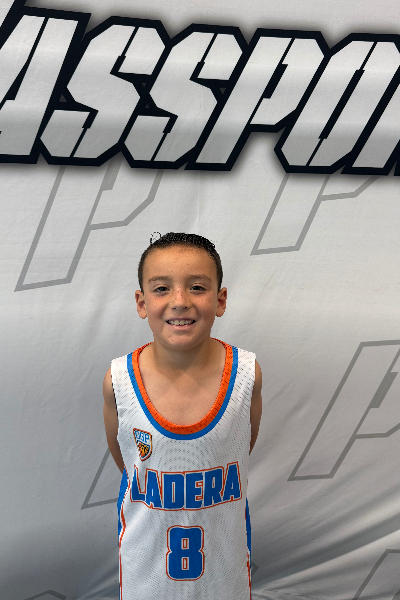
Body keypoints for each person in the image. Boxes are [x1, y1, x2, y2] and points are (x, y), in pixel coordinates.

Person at [103, 232, 262, 600]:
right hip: (147, 579)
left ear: (220, 300)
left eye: (197, 287)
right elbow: (126, 462)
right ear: (141, 302)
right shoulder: (118, 380)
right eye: (162, 288)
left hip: (224, 578)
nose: (179, 301)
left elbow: (241, 447)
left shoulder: (247, 374)